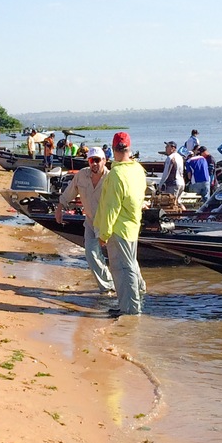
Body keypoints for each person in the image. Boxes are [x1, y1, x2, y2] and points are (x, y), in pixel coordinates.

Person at [94, 132, 147, 317]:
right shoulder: (138, 169)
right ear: (129, 148)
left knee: (123, 269)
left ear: (113, 149)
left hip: (119, 228)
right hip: (132, 225)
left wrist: (103, 234)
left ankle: (131, 310)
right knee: (127, 267)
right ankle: (127, 305)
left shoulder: (116, 173)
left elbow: (111, 208)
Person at [55, 147, 113, 294]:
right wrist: (60, 207)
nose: (94, 164)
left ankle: (136, 287)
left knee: (119, 259)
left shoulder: (111, 178)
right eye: (91, 160)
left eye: (98, 160)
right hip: (90, 222)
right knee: (91, 254)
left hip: (108, 223)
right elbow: (70, 192)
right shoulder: (81, 175)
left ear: (104, 161)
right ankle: (107, 287)